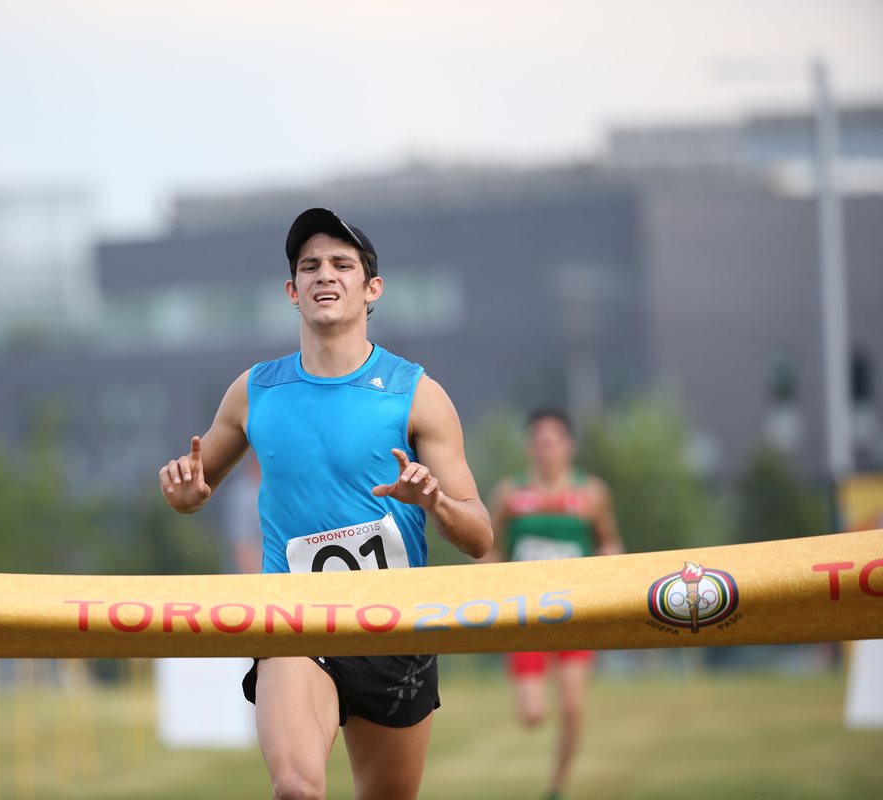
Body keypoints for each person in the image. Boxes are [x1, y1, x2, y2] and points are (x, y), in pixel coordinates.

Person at [158, 208, 493, 800]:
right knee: (296, 788)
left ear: (372, 288)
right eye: (309, 266)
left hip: (393, 628)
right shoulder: (254, 390)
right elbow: (194, 484)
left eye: (342, 263)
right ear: (292, 291)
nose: (324, 275)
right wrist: (185, 494)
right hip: (295, 623)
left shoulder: (418, 394)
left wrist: (435, 501)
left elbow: (479, 536)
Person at [484, 408, 624, 800]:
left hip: (574, 613)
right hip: (527, 616)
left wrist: (611, 576)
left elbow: (609, 542)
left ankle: (557, 788)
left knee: (573, 704)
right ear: (530, 447)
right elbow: (489, 549)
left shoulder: (590, 492)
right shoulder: (510, 494)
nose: (546, 449)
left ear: (569, 445)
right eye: (539, 441)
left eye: (554, 441)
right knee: (532, 715)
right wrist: (486, 584)